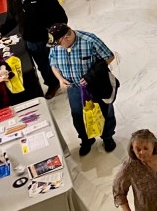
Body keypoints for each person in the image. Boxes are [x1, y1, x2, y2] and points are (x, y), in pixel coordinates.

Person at [0, 0, 66, 97]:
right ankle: (53, 84)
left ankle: (67, 79)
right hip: (31, 40)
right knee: (43, 65)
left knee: (58, 61)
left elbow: (60, 16)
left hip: (48, 37)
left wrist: (54, 34)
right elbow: (11, 19)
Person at [49, 23, 116, 154]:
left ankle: (107, 137)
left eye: (59, 43)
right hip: (73, 88)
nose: (57, 47)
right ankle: (86, 140)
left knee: (104, 110)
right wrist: (60, 79)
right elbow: (53, 63)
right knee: (78, 115)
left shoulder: (89, 40)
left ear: (67, 37)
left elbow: (109, 56)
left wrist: (93, 75)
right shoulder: (56, 46)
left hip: (95, 85)